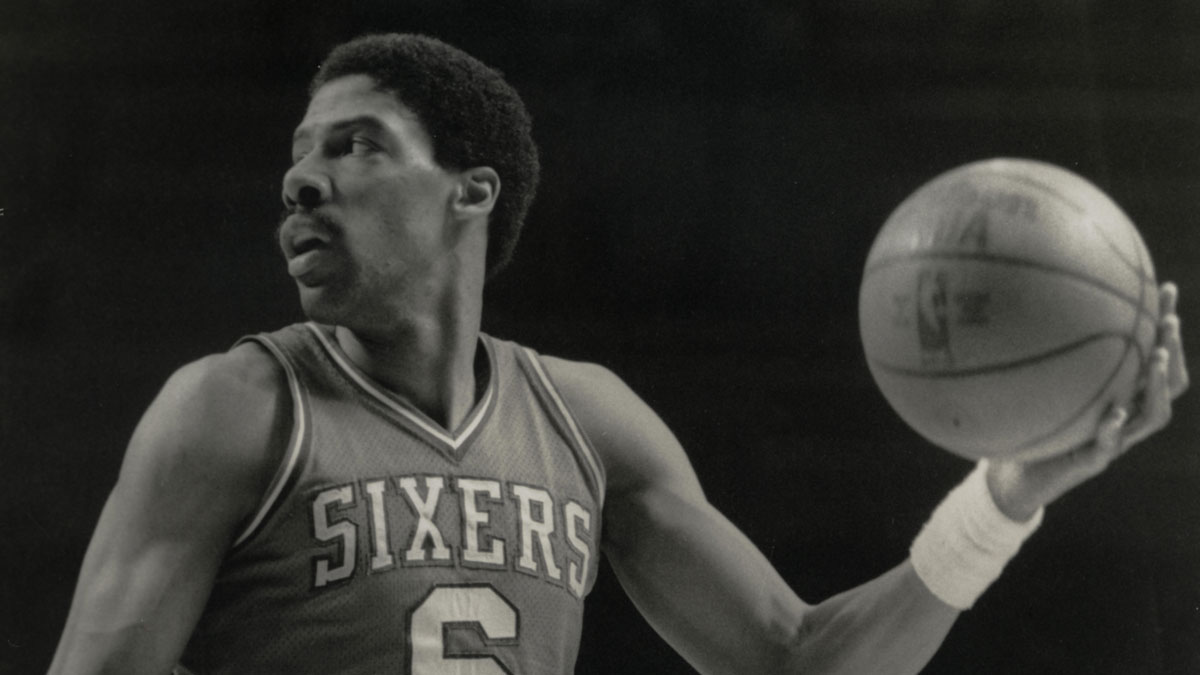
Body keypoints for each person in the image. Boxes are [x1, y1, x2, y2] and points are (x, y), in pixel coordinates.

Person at [47, 33, 1189, 675]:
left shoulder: (586, 421)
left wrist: (1006, 496)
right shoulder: (236, 407)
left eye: (355, 147)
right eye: (299, 154)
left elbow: (794, 664)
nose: (302, 178)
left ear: (470, 191)